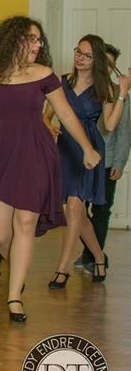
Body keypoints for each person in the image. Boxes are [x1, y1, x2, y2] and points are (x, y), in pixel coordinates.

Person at [0, 17, 101, 322]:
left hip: (35, 152)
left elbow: (65, 114)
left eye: (39, 40)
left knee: (25, 222)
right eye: (32, 39)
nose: (38, 45)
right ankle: (17, 274)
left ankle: (14, 297)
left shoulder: (44, 74)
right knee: (0, 234)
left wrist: (87, 148)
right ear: (13, 40)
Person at [46, 35, 127, 287]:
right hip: (65, 149)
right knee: (78, 214)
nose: (80, 58)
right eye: (78, 52)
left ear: (96, 60)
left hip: (89, 150)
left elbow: (110, 125)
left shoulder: (104, 88)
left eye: (87, 55)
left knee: (74, 206)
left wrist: (123, 94)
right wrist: (49, 126)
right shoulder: (61, 82)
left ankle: (62, 268)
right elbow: (46, 116)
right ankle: (99, 257)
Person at [78, 43, 130, 271]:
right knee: (78, 209)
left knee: (101, 210)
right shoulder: (83, 88)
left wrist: (119, 161)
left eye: (111, 64)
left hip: (108, 162)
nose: (106, 67)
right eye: (103, 62)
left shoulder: (119, 93)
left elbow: (123, 130)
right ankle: (92, 253)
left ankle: (92, 257)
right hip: (82, 159)